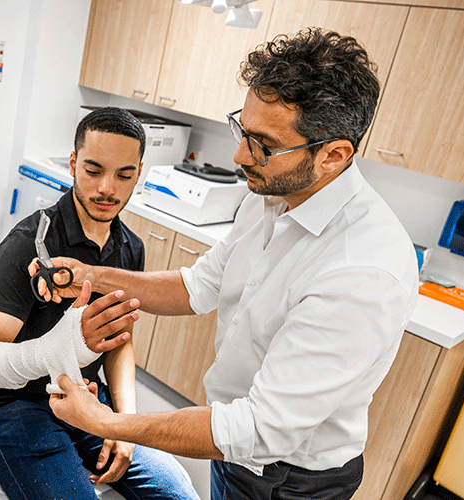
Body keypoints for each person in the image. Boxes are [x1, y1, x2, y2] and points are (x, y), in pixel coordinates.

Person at [36, 29, 419, 500]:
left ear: (333, 156)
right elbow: (197, 286)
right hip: (231, 447)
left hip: (287, 478)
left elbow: (260, 430)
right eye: (243, 128)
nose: (240, 155)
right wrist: (93, 274)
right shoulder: (271, 197)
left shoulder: (362, 270)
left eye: (262, 144)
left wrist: (109, 422)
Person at [0, 107, 200, 499]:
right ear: (73, 164)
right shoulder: (29, 244)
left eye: (124, 175)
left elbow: (119, 340)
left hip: (87, 393)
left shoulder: (130, 249)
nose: (107, 188)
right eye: (93, 171)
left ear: (138, 174)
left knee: (180, 494)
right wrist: (56, 348)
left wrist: (125, 423)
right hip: (13, 405)